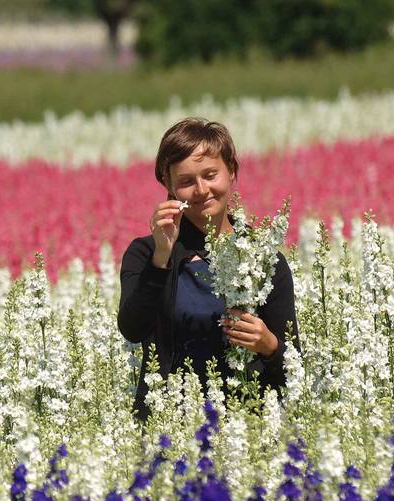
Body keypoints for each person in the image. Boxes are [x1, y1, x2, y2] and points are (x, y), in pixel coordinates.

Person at [117, 117, 300, 423]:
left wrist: (269, 345)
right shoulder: (146, 254)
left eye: (210, 175)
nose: (202, 190)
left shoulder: (265, 259)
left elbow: (294, 370)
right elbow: (132, 328)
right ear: (170, 188)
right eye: (187, 181)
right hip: (170, 427)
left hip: (247, 428)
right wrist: (162, 256)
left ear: (231, 171)